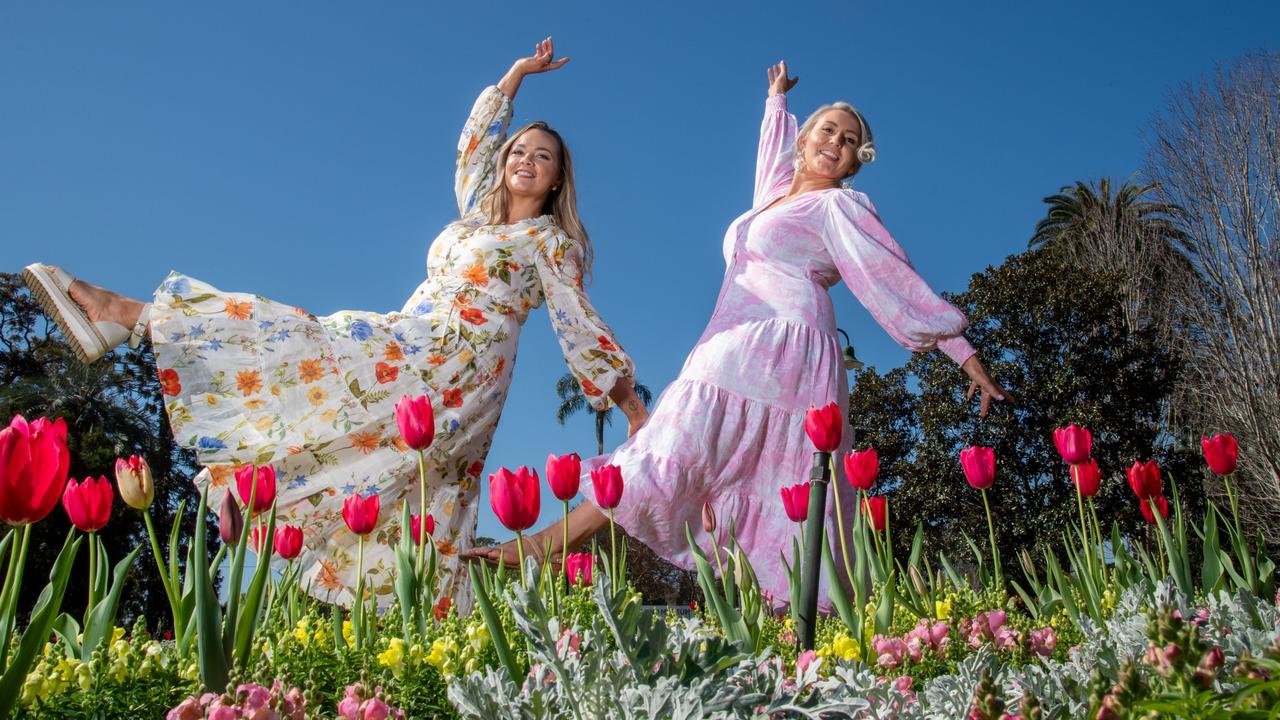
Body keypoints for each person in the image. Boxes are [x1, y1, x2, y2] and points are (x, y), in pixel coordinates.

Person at [24, 37, 648, 610]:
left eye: (543, 157)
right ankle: (256, 488)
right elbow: (473, 148)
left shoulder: (548, 243)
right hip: (417, 334)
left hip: (464, 365)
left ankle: (126, 315)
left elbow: (577, 321)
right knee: (344, 402)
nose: (526, 161)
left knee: (352, 390)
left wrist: (629, 404)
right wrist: (515, 75)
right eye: (519, 150)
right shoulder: (474, 220)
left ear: (559, 176)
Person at [465, 61, 1012, 608]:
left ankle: (552, 546)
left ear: (854, 163)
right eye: (827, 130)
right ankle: (752, 619)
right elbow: (770, 160)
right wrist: (775, 100)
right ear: (803, 141)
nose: (836, 143)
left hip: (787, 344)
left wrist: (960, 349)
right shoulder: (775, 196)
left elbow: (893, 276)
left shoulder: (838, 206)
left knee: (752, 473)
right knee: (678, 450)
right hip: (732, 340)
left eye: (850, 141)